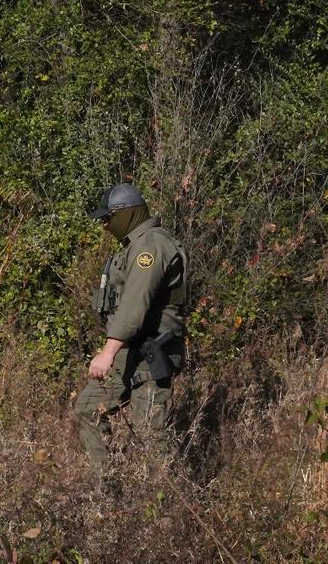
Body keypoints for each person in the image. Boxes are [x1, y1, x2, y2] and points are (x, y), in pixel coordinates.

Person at [74, 182, 189, 478]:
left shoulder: (151, 246)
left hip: (150, 355)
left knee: (151, 436)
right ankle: (106, 487)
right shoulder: (136, 245)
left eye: (108, 218)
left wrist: (107, 352)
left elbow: (135, 304)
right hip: (130, 352)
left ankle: (168, 497)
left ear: (127, 213)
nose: (104, 224)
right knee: (88, 409)